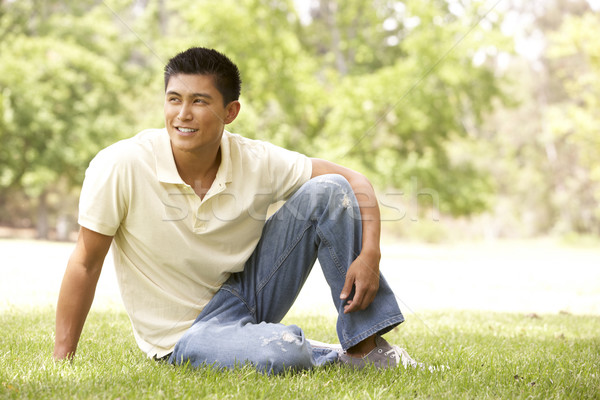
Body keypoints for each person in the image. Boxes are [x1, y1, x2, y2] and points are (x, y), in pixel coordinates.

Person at [53, 47, 416, 374]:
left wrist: (370, 254)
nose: (183, 114)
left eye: (199, 101)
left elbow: (355, 181)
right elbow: (85, 262)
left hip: (245, 296)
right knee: (283, 355)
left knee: (330, 190)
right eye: (174, 99)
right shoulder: (121, 164)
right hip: (184, 335)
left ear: (230, 111)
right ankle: (307, 349)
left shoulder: (255, 159)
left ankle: (364, 351)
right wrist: (62, 360)